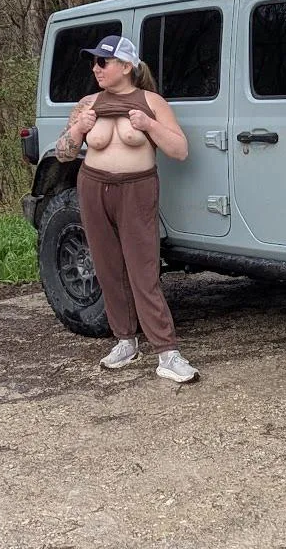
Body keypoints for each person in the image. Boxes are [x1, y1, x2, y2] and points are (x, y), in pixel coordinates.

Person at [53, 34, 198, 383]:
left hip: (137, 189)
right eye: (94, 62)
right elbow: (62, 153)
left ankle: (167, 352)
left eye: (103, 62)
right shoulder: (87, 103)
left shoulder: (152, 102)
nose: (95, 68)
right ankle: (125, 342)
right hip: (92, 187)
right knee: (107, 268)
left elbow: (180, 150)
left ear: (126, 66)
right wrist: (78, 129)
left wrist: (148, 125)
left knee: (143, 270)